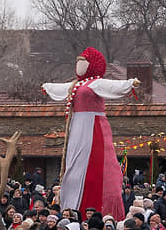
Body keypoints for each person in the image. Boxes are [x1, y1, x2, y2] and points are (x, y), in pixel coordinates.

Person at [42, 47, 140, 217]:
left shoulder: (97, 83)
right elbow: (62, 88)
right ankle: (71, 204)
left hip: (92, 125)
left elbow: (112, 86)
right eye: (78, 62)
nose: (79, 66)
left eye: (83, 62)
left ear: (92, 65)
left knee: (92, 164)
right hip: (76, 126)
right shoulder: (75, 84)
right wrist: (49, 87)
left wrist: (130, 83)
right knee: (74, 165)